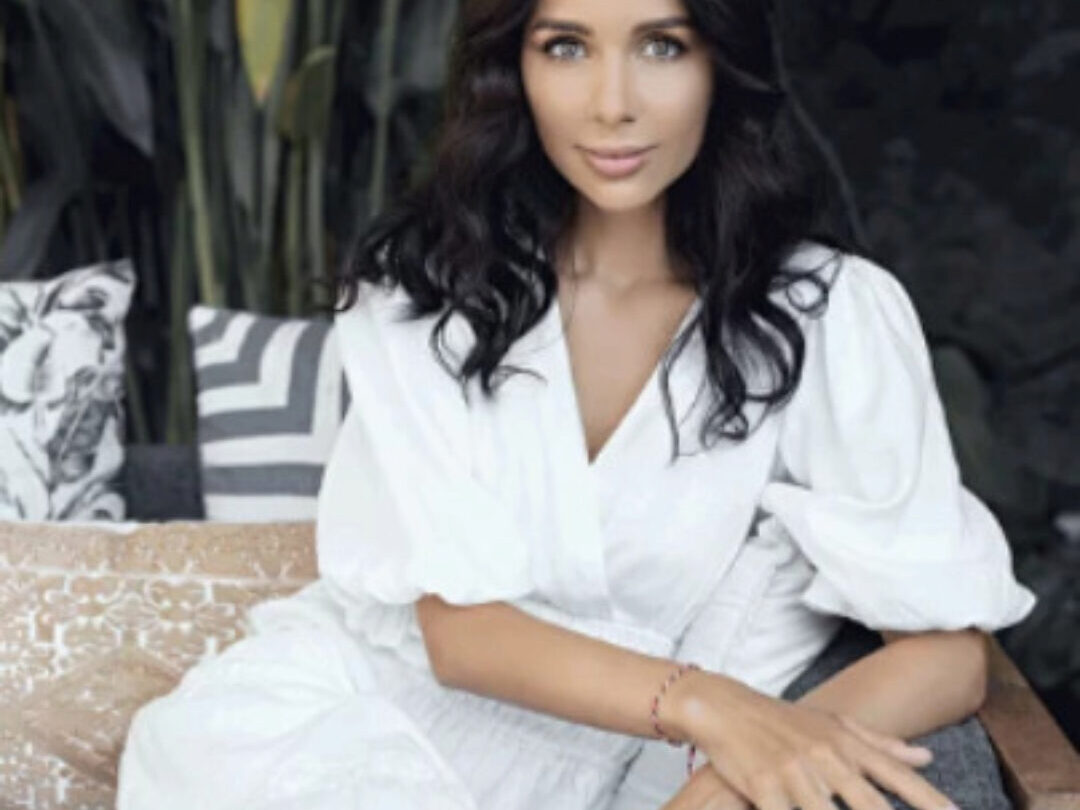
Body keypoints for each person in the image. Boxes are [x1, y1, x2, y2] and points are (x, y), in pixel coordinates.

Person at [116, 0, 1037, 808]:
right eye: (566, 47)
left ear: (722, 64)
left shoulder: (828, 315)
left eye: (662, 46)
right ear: (512, 69)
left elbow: (947, 654)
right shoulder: (425, 296)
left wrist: (749, 762)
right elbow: (460, 636)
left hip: (620, 767)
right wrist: (712, 709)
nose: (611, 103)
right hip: (328, 728)